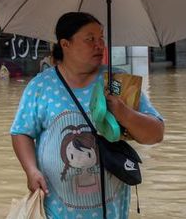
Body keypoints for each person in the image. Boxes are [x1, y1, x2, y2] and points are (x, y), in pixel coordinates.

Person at [11, 12, 164, 218]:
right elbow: (21, 132)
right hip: (55, 210)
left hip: (111, 211)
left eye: (101, 38)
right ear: (65, 44)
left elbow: (155, 134)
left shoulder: (117, 82)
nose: (99, 45)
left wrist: (124, 113)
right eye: (90, 39)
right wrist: (31, 170)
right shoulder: (41, 86)